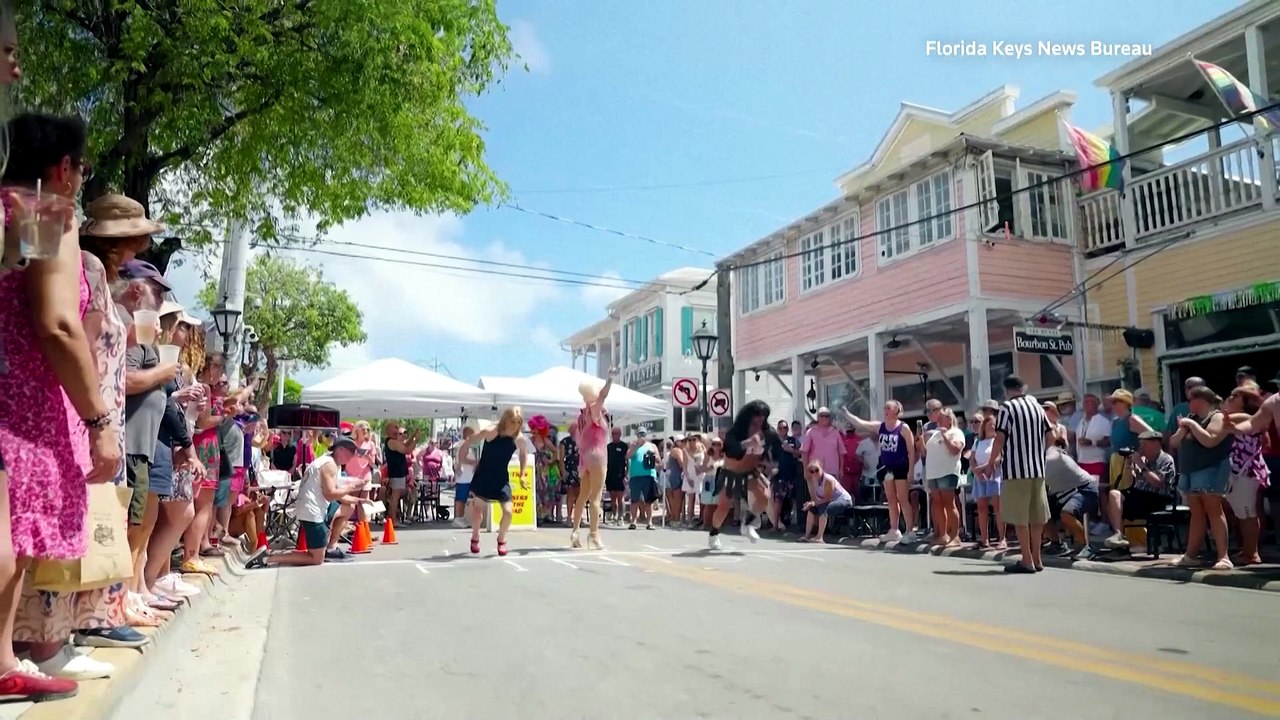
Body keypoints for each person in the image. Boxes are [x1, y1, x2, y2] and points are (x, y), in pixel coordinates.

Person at [0, 111, 120, 700]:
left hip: (15, 399)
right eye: (82, 166)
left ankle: (3, 659)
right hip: (19, 405)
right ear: (63, 168)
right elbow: (56, 323)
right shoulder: (42, 211)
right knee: (6, 539)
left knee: (14, 537)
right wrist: (99, 420)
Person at [246, 437, 363, 569]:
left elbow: (339, 496)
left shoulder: (333, 462)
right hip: (312, 512)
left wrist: (359, 500)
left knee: (348, 507)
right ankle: (268, 557)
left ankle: (331, 548)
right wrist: (352, 487)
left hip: (317, 507)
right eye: (351, 451)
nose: (353, 456)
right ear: (340, 450)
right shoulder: (328, 465)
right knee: (316, 559)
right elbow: (330, 494)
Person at [983, 376, 1052, 574]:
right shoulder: (1037, 407)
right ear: (1024, 388)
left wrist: (990, 463)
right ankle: (1038, 559)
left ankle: (1026, 559)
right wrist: (1038, 453)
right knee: (1037, 516)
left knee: (1020, 517)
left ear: (1007, 390)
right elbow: (1051, 435)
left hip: (1015, 470)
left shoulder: (1007, 408)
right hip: (1037, 469)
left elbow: (1000, 438)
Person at [1169, 386, 1233, 570]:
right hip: (1190, 471)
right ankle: (1190, 555)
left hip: (1211, 470)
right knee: (1196, 513)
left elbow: (1210, 440)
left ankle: (1224, 557)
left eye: (1191, 400)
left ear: (1201, 400)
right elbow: (1174, 441)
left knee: (1214, 510)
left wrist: (1191, 426)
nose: (1189, 404)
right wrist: (1184, 427)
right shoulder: (1191, 418)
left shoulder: (1217, 417)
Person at [705, 400, 776, 549]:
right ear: (748, 415)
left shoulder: (768, 432)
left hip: (750, 472)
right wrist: (748, 443)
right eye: (757, 414)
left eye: (763, 415)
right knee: (723, 507)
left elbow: (775, 450)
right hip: (731, 473)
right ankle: (714, 533)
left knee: (764, 497)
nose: (760, 418)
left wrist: (771, 464)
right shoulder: (736, 431)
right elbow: (731, 450)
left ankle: (748, 522)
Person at [461, 408, 530, 556]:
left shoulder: (519, 439)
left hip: (501, 479)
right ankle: (475, 536)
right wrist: (462, 459)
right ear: (506, 420)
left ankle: (501, 539)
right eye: (512, 422)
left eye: (518, 423)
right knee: (478, 510)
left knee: (508, 511)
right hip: (483, 476)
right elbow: (470, 440)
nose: (515, 425)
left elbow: (523, 455)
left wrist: (522, 474)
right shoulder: (492, 431)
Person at [845, 402, 917, 543]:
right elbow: (862, 424)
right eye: (885, 407)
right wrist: (848, 415)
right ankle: (894, 530)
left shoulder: (903, 428)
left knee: (903, 498)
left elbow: (911, 450)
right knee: (891, 499)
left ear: (897, 410)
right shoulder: (881, 426)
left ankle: (910, 531)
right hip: (885, 467)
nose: (885, 410)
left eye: (888, 408)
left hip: (900, 467)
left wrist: (911, 470)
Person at [569, 369, 615, 547]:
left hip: (585, 458)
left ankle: (575, 531)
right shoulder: (594, 410)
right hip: (598, 456)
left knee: (583, 496)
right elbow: (603, 395)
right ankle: (594, 534)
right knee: (595, 498)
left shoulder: (582, 415)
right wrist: (609, 379)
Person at [920, 408, 965, 547]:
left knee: (949, 503)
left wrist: (945, 436)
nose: (938, 419)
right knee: (937, 504)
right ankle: (942, 534)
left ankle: (955, 536)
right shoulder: (934, 434)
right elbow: (924, 453)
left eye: (942, 417)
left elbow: (955, 450)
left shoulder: (956, 433)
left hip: (947, 472)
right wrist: (920, 440)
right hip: (933, 472)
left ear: (950, 419)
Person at [798, 460, 852, 543]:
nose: (814, 473)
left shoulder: (828, 480)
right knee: (812, 508)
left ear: (821, 469)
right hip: (829, 501)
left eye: (816, 470)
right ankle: (806, 535)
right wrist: (810, 503)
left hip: (844, 501)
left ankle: (819, 537)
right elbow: (816, 498)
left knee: (823, 507)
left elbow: (827, 499)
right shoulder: (813, 481)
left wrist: (815, 503)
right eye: (812, 471)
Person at [382, 422, 419, 528]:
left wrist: (412, 437)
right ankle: (393, 520)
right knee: (395, 497)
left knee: (396, 496)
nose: (397, 429)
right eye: (395, 427)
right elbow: (407, 450)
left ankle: (392, 519)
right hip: (397, 472)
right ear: (388, 430)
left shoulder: (394, 442)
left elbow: (405, 445)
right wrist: (416, 440)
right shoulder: (392, 442)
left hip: (398, 472)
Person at [626, 429, 659, 531]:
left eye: (643, 434)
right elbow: (628, 456)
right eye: (640, 434)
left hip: (649, 475)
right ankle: (633, 521)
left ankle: (649, 522)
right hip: (635, 476)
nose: (641, 436)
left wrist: (653, 455)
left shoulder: (652, 446)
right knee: (635, 500)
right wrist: (635, 446)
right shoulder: (633, 445)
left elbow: (658, 459)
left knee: (648, 500)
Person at [452, 426, 480, 529]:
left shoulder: (468, 446)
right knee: (461, 499)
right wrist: (475, 462)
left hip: (468, 477)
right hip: (464, 477)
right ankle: (458, 518)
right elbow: (462, 459)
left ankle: (461, 517)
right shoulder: (464, 445)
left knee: (464, 498)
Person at [604, 427, 628, 525]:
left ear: (620, 434)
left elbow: (627, 461)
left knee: (620, 497)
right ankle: (614, 516)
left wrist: (626, 475)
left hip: (620, 474)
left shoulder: (624, 446)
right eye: (613, 433)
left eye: (617, 433)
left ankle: (621, 517)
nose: (615, 435)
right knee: (613, 498)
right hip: (610, 475)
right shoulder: (608, 447)